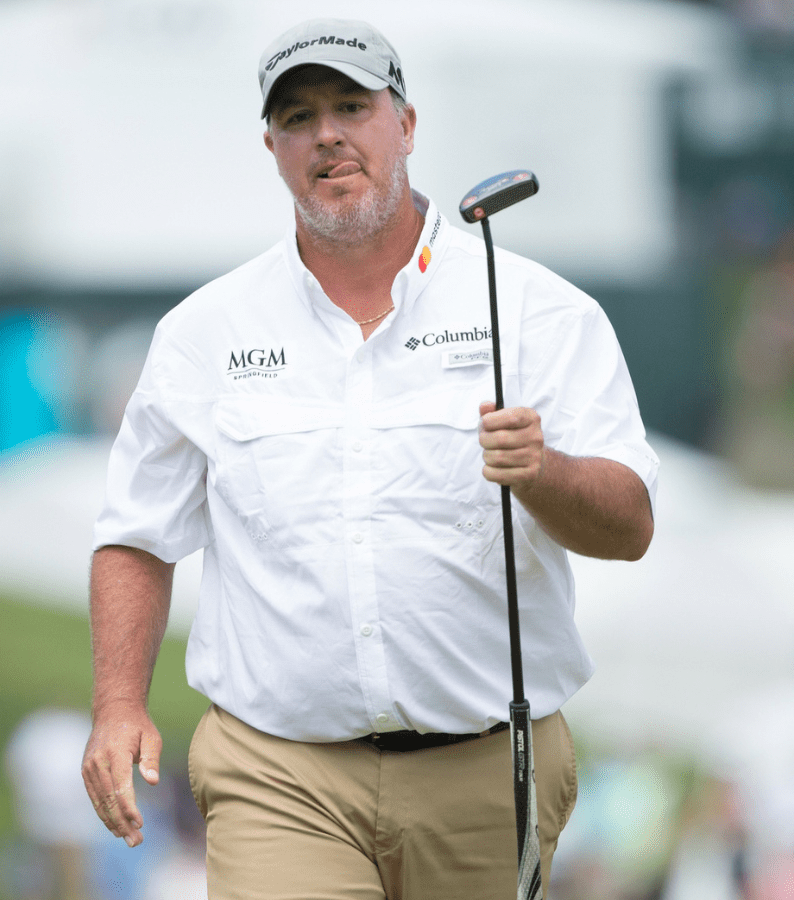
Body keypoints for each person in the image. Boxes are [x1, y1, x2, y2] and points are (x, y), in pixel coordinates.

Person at [82, 17, 658, 900]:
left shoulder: (538, 311)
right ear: (273, 148)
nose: (327, 135)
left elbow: (630, 526)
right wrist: (119, 706)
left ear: (407, 125)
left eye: (352, 107)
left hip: (485, 769)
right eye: (298, 118)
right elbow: (137, 534)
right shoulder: (204, 332)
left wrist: (544, 472)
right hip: (279, 773)